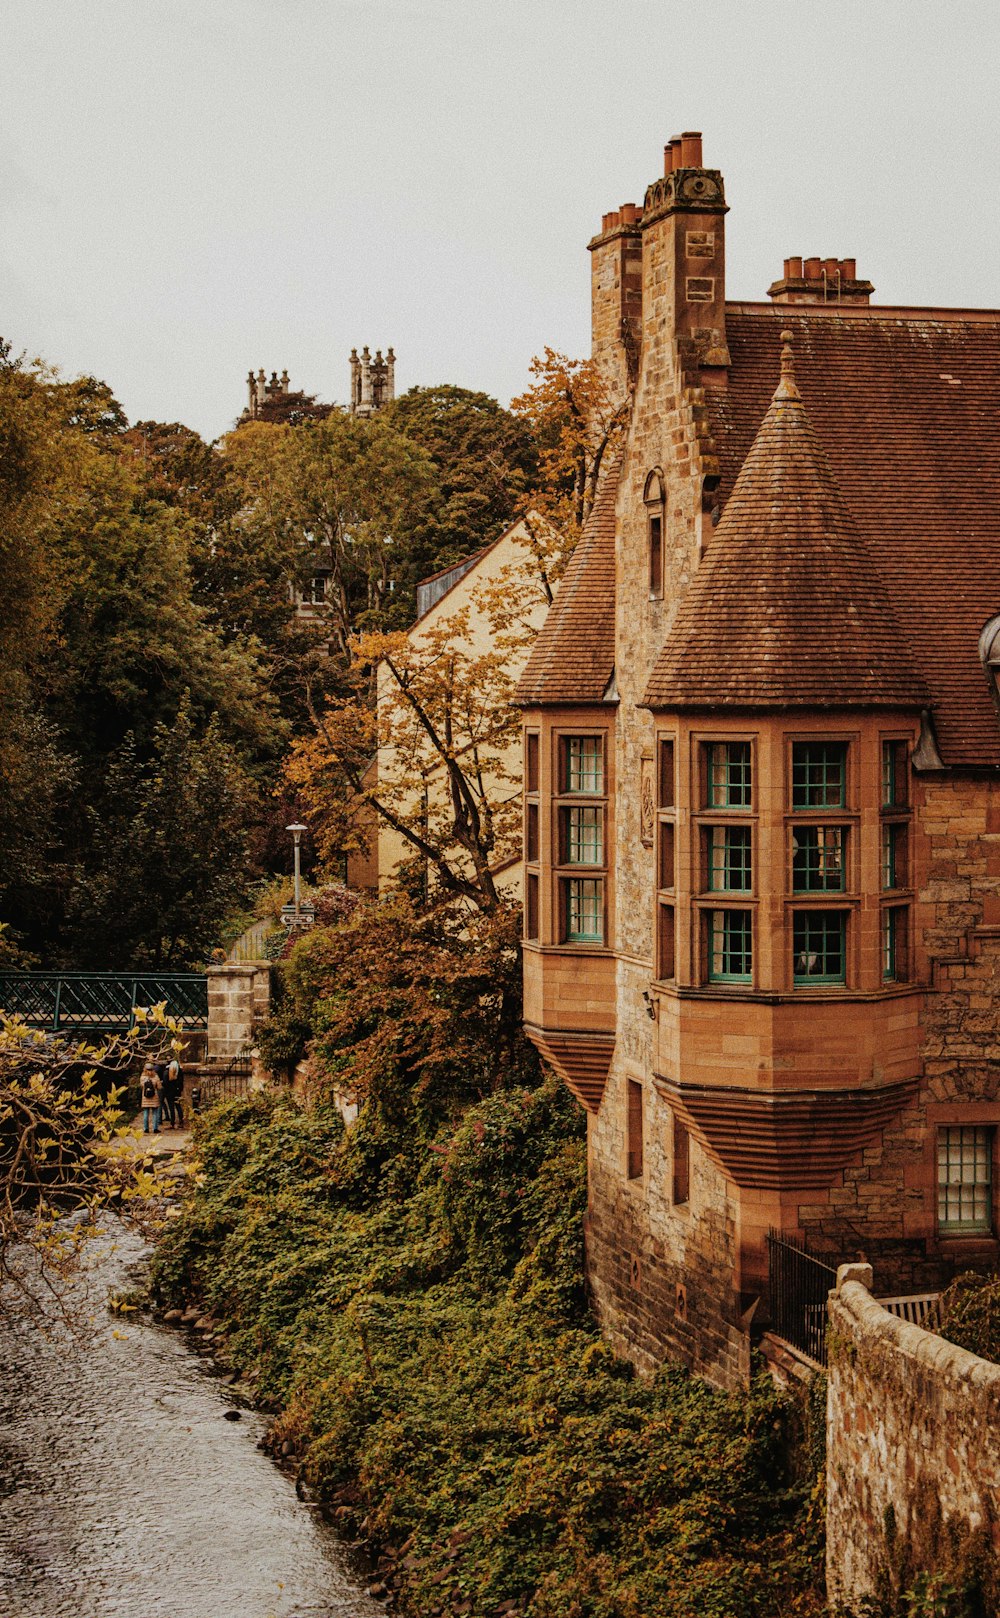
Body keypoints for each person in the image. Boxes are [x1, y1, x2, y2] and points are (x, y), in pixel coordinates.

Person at [139, 1060, 162, 1134]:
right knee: (155, 1113)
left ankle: (146, 1128)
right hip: (154, 1097)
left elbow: (142, 1086)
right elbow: (159, 1087)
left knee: (146, 1113)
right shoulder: (155, 1076)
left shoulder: (143, 1077)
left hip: (145, 1097)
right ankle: (155, 1128)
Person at [163, 1052, 184, 1129]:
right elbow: (181, 1081)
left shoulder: (167, 1071)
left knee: (171, 1107)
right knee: (178, 1106)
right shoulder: (179, 1070)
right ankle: (181, 1121)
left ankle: (172, 1123)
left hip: (169, 1091)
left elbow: (165, 1082)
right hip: (177, 1090)